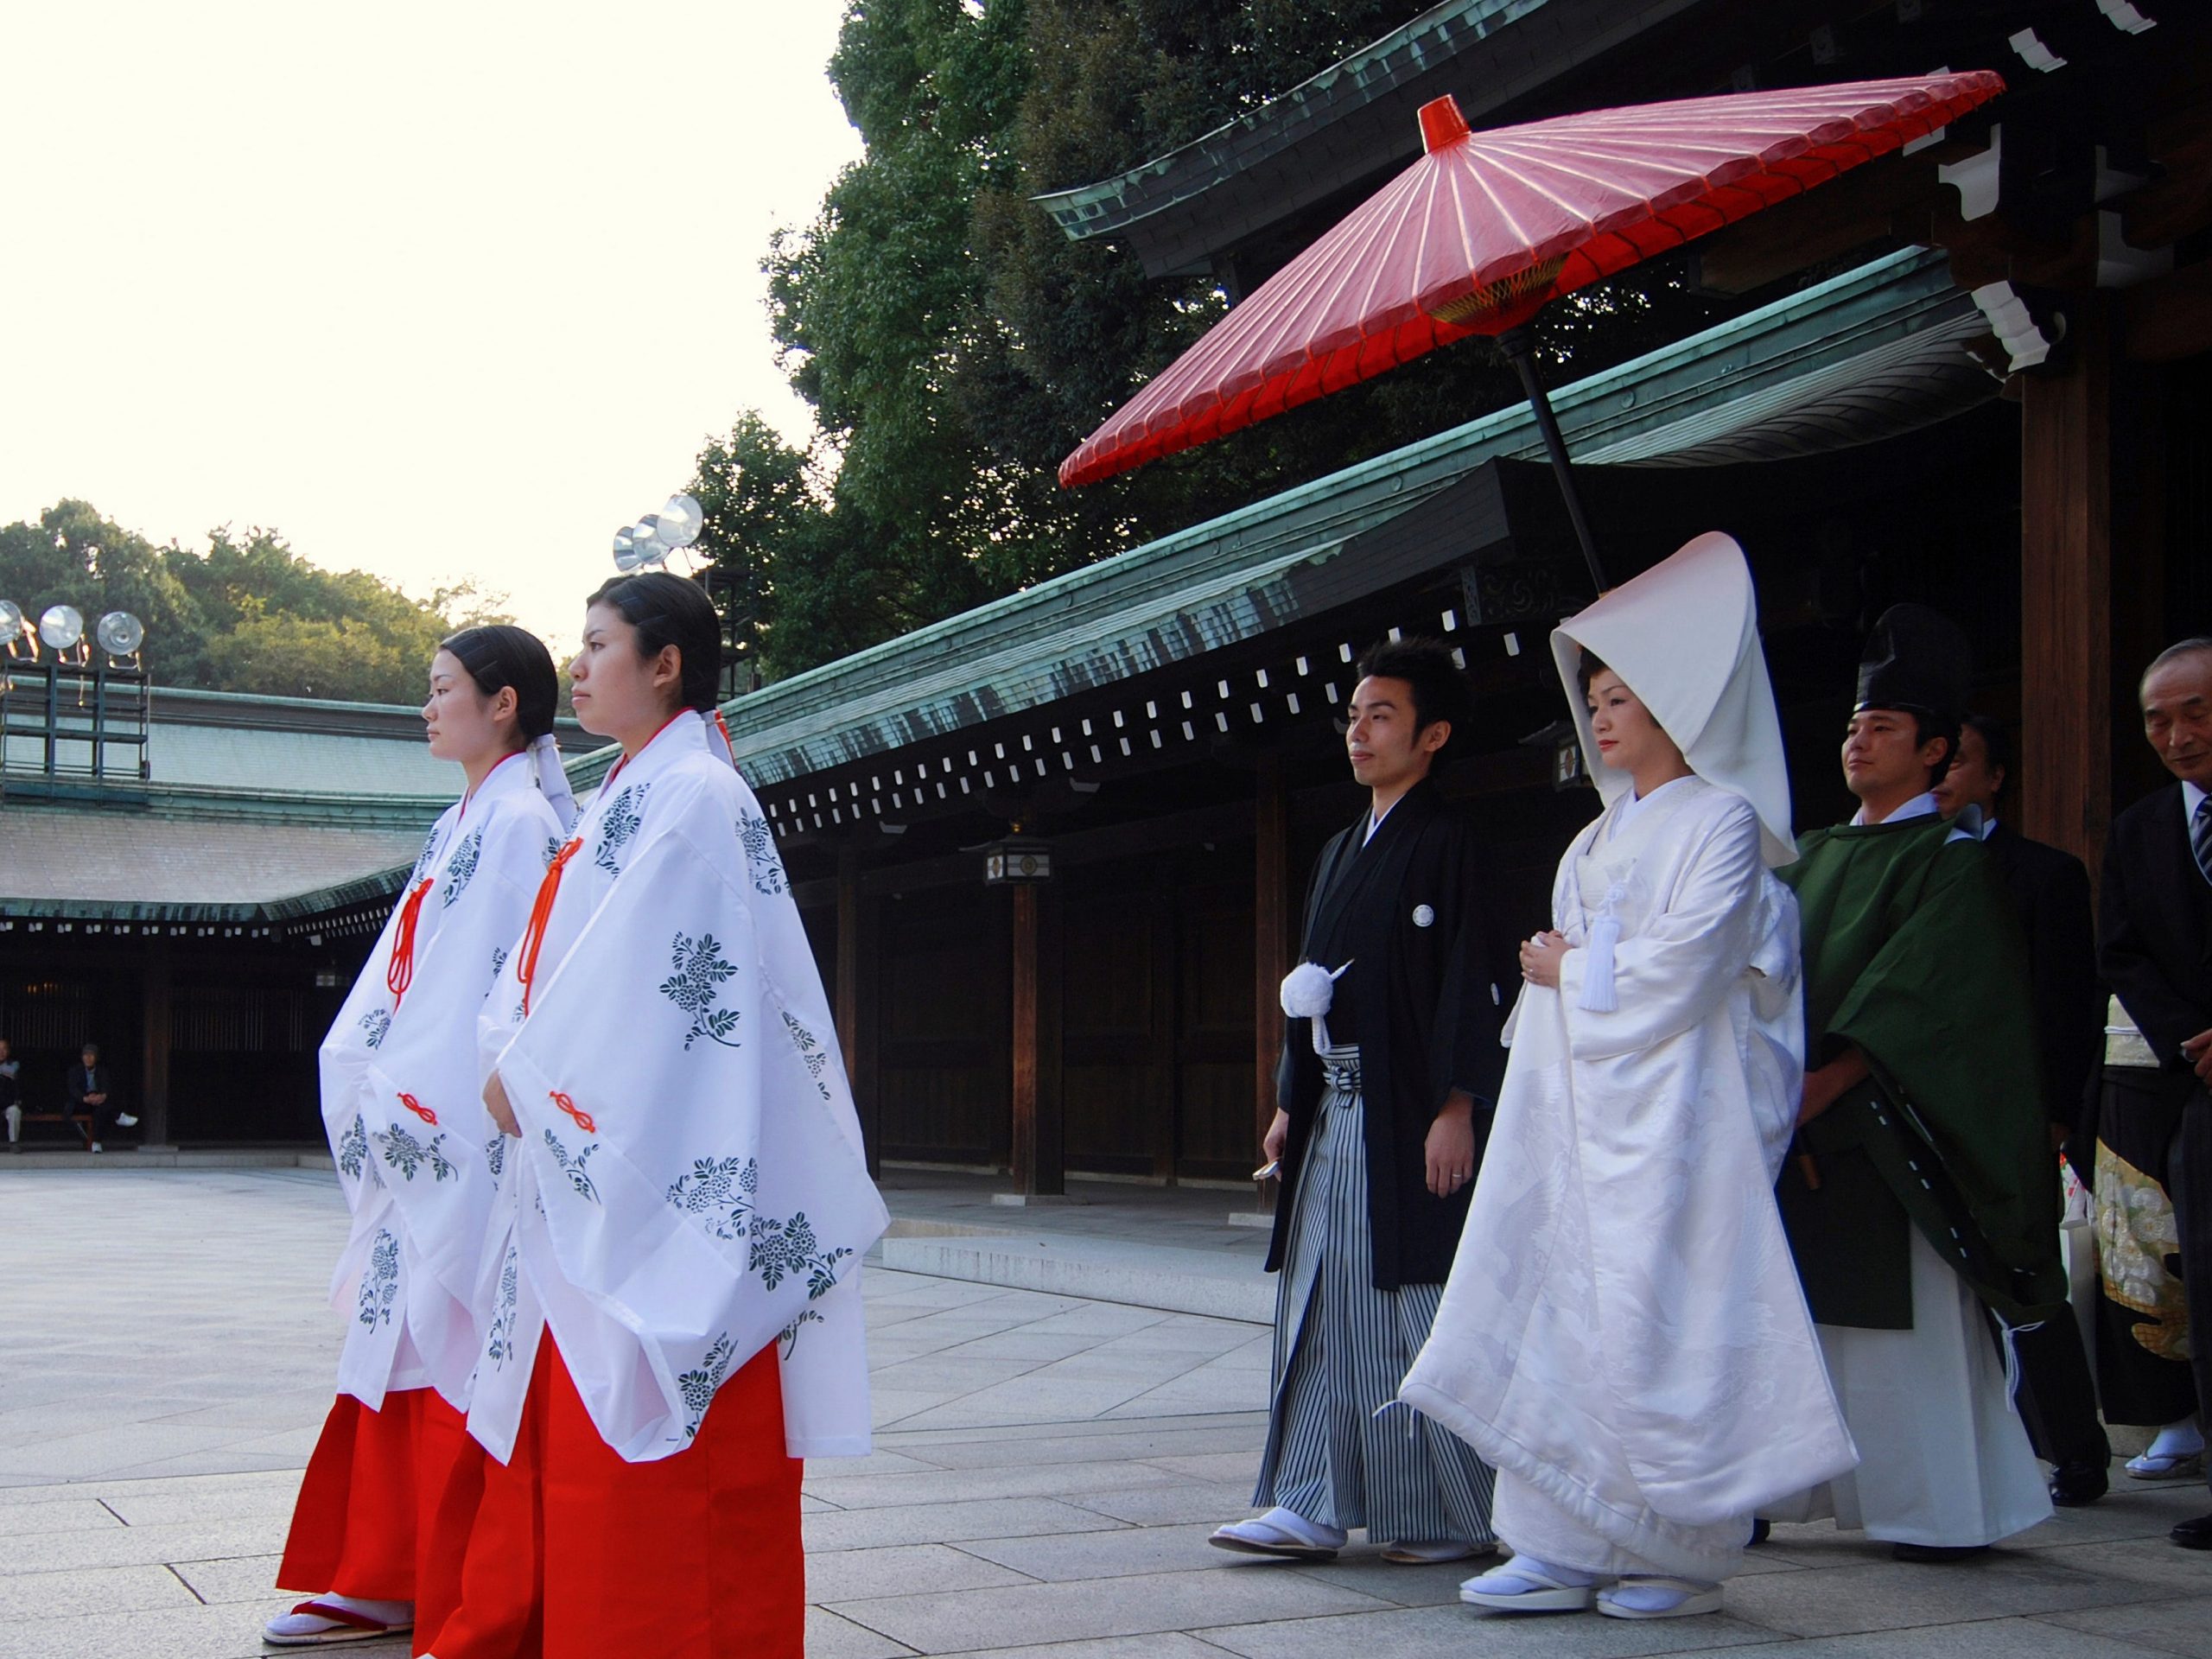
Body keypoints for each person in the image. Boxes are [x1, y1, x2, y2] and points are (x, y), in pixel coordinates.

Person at [426, 573, 887, 1659]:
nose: (577, 669)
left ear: (665, 662)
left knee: (683, 1478)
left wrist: (530, 1071)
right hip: (585, 1141)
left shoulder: (696, 797)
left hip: (662, 1167)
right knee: (598, 1468)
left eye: (597, 646)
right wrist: (513, 1055)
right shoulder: (632, 796)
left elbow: (663, 996)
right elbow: (563, 968)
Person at [1400, 533, 1855, 1620]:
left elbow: (1695, 968)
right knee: (1563, 1303)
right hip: (1579, 1113)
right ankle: (1554, 1539)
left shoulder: (1725, 825)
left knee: (1664, 1310)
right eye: (1592, 698)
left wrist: (1572, 968)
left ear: (1674, 706)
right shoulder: (1591, 839)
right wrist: (1565, 972)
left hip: (1673, 1117)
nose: (1598, 717)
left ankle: (1675, 1553)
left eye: (1619, 697)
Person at [267, 626, 576, 1649]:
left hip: (457, 1130)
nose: (427, 706)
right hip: (422, 1120)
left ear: (503, 705)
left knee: (445, 1344)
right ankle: (386, 1569)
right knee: (398, 1345)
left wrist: (400, 1093)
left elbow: (482, 991)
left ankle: (432, 1575)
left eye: (443, 689)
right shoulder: (467, 820)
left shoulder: (521, 820)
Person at [1764, 603, 2062, 1560]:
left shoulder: (1950, 865)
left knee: (1908, 1327)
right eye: (1854, 726)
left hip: (1886, 1135)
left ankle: (1938, 1508)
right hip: (1795, 1121)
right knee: (1798, 1316)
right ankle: (1780, 1486)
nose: (1857, 741)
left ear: (1937, 751)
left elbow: (1927, 997)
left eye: (1883, 728)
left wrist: (1835, 1073)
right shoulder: (1807, 854)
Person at [1209, 637, 1504, 1567]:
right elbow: (1312, 989)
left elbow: (1473, 980)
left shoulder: (1451, 845)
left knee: (1410, 1298)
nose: (1358, 732)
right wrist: (1291, 1097)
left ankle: (1451, 1511)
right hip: (1336, 1109)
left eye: (1381, 715)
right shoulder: (1339, 850)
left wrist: (1458, 1105)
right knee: (1320, 1297)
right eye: (1352, 716)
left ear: (1434, 736)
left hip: (1410, 1112)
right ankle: (1309, 1498)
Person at [1933, 714, 2113, 1505]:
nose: (1942, 775)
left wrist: (2056, 1115)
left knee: (2025, 1274)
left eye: (1958, 761)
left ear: (1995, 776)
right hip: (1908, 1106)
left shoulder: (2043, 874)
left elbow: (2067, 1006)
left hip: (2010, 1111)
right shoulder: (1891, 865)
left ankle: (2075, 1449)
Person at [2096, 637, 2212, 1549]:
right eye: (2156, 719)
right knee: (2205, 1277)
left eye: (2195, 711)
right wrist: (2188, 1036)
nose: (2175, 735)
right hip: (2198, 1080)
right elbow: (2124, 948)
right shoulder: (2140, 827)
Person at [67, 1043, 137, 1152]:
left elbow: (106, 1086)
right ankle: (118, 1116)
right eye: (86, 1055)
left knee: (102, 1109)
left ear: (96, 1057)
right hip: (81, 1103)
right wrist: (85, 1098)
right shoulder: (75, 1071)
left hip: (97, 1102)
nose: (88, 1058)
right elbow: (73, 1089)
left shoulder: (102, 1071)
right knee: (103, 1108)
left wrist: (102, 1096)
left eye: (91, 1055)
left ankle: (96, 1142)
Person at [1, 1038, 20, 1151]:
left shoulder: (14, 1064)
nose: (1, 1052)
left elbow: (12, 1072)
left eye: (4, 1049)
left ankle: (13, 1143)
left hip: (7, 1103)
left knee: (15, 1111)